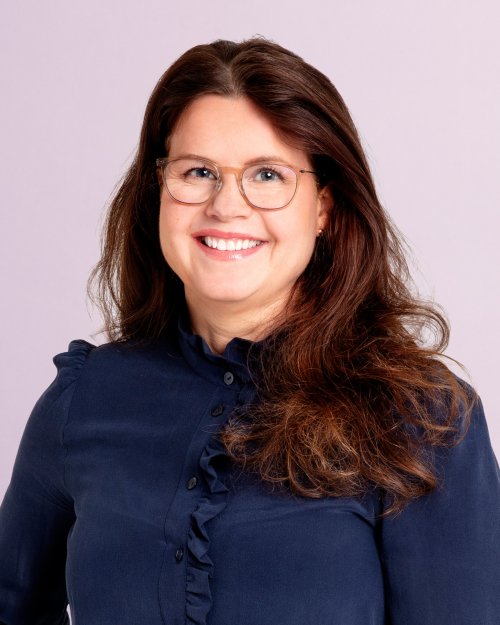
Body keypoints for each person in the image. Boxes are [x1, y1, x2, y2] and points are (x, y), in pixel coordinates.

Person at [0, 37, 499, 625]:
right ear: (158, 188)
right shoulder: (82, 400)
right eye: (198, 171)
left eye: (267, 175)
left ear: (323, 208)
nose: (226, 206)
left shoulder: (421, 419)